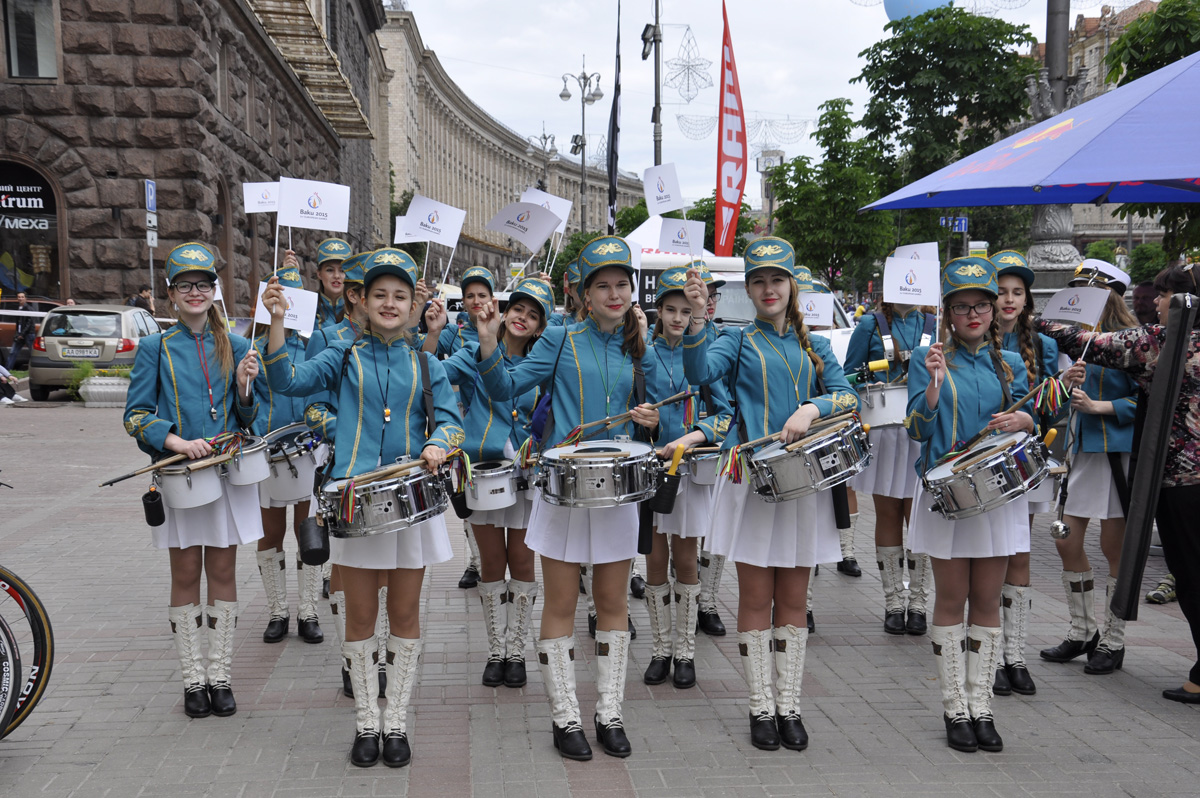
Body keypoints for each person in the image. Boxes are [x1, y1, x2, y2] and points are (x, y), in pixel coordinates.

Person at [262, 248, 464, 768]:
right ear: (361, 300)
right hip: (356, 501)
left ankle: (395, 721)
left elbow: (450, 420)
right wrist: (278, 322)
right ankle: (366, 725)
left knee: (403, 613)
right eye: (380, 295)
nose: (391, 304)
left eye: (400, 295)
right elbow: (285, 381)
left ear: (413, 303)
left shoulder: (426, 362)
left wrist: (439, 442)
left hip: (410, 502)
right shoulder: (344, 355)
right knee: (360, 613)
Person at [472, 235, 662, 761]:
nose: (614, 293)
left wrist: (652, 419)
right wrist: (489, 342)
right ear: (582, 292)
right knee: (560, 601)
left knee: (612, 602)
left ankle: (609, 712)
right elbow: (506, 387)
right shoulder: (560, 337)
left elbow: (662, 408)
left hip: (618, 490)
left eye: (622, 284)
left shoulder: (635, 345)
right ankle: (565, 717)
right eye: (603, 285)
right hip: (564, 488)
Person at [681, 237, 858, 753]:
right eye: (758, 281)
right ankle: (761, 705)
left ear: (792, 284)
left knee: (795, 600)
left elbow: (847, 395)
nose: (767, 289)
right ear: (749, 289)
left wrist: (812, 410)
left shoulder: (815, 345)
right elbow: (699, 373)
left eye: (776, 280)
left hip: (803, 483)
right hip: (752, 480)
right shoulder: (735, 341)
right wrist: (696, 318)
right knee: (757, 597)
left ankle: (790, 705)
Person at [123, 242, 262, 720]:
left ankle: (220, 675)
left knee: (222, 573)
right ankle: (192, 680)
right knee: (185, 575)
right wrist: (176, 442)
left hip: (225, 477)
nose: (196, 292)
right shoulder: (154, 348)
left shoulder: (239, 346)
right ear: (171, 294)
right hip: (181, 477)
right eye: (186, 286)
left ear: (214, 290)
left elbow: (249, 417)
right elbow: (136, 417)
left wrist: (245, 387)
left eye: (204, 284)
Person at [906, 256, 1032, 754]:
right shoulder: (929, 359)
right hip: (947, 495)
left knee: (986, 600)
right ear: (948, 313)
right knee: (951, 599)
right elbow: (917, 430)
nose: (975, 313)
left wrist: (1027, 421)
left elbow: (1030, 419)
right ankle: (954, 707)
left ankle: (983, 707)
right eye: (963, 307)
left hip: (998, 494)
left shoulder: (1010, 363)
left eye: (982, 303)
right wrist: (933, 387)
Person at [440, 277, 551, 688]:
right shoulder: (473, 352)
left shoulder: (543, 362)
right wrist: (433, 332)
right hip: (482, 470)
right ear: (505, 312)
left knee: (521, 562)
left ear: (540, 326)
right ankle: (495, 650)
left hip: (525, 472)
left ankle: (517, 650)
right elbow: (431, 373)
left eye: (533, 314)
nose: (523, 317)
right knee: (491, 563)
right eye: (518, 309)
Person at [1038, 260, 1138, 678]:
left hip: (1116, 453)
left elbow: (1151, 401)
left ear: (1109, 295)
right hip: (1080, 451)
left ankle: (1114, 640)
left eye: (1088, 291)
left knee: (1116, 550)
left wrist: (1103, 406)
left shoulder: (1133, 341)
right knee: (1066, 541)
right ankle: (1083, 630)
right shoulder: (1074, 342)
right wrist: (1065, 380)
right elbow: (1053, 404)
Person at [642, 266, 732, 690]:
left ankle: (685, 653)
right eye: (670, 309)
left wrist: (694, 436)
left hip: (692, 470)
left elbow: (726, 414)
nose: (678, 318)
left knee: (686, 560)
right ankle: (660, 650)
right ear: (658, 311)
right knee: (655, 562)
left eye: (684, 310)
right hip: (651, 470)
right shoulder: (640, 352)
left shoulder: (710, 349)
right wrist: (653, 425)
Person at [844, 291, 936, 636]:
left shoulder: (934, 323)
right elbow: (847, 377)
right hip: (883, 430)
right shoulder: (870, 323)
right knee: (888, 514)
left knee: (919, 518)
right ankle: (894, 600)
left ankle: (919, 603)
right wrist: (868, 380)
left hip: (921, 431)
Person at [991, 251, 1062, 696]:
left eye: (1018, 292)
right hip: (978, 461)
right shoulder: (969, 338)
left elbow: (1054, 411)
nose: (1009, 300)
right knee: (988, 559)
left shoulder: (1044, 345)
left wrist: (1037, 416)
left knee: (1018, 551)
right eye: (1001, 292)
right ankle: (991, 653)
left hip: (1025, 461)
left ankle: (1016, 656)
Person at [250, 256, 323, 646]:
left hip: (309, 449)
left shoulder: (316, 346)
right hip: (269, 451)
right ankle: (278, 610)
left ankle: (309, 610)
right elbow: (246, 403)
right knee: (270, 533)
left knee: (308, 529)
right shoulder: (256, 348)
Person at [425, 265, 497, 590]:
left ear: (492, 298)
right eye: (470, 296)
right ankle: (476, 560)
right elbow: (427, 371)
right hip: (465, 431)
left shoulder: (504, 334)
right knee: (468, 498)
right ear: (464, 302)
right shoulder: (458, 338)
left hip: (503, 435)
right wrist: (436, 333)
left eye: (482, 294)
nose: (476, 300)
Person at [692, 261, 732, 638]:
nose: (709, 301)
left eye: (713, 295)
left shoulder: (726, 338)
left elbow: (729, 409)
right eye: (702, 294)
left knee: (712, 528)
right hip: (672, 451)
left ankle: (707, 601)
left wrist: (708, 428)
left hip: (713, 445)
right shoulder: (657, 341)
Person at [314, 238, 351, 330]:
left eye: (342, 271)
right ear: (319, 274)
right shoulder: (308, 307)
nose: (336, 276)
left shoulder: (357, 309)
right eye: (330, 270)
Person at [6, 291, 35, 370]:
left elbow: (29, 323)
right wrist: (18, 333)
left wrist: (22, 334)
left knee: (33, 353)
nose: (20, 298)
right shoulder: (18, 308)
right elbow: (18, 322)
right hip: (19, 334)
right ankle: (7, 370)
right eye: (19, 297)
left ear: (25, 298)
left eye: (22, 297)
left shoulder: (29, 309)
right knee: (13, 352)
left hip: (28, 334)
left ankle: (36, 369)